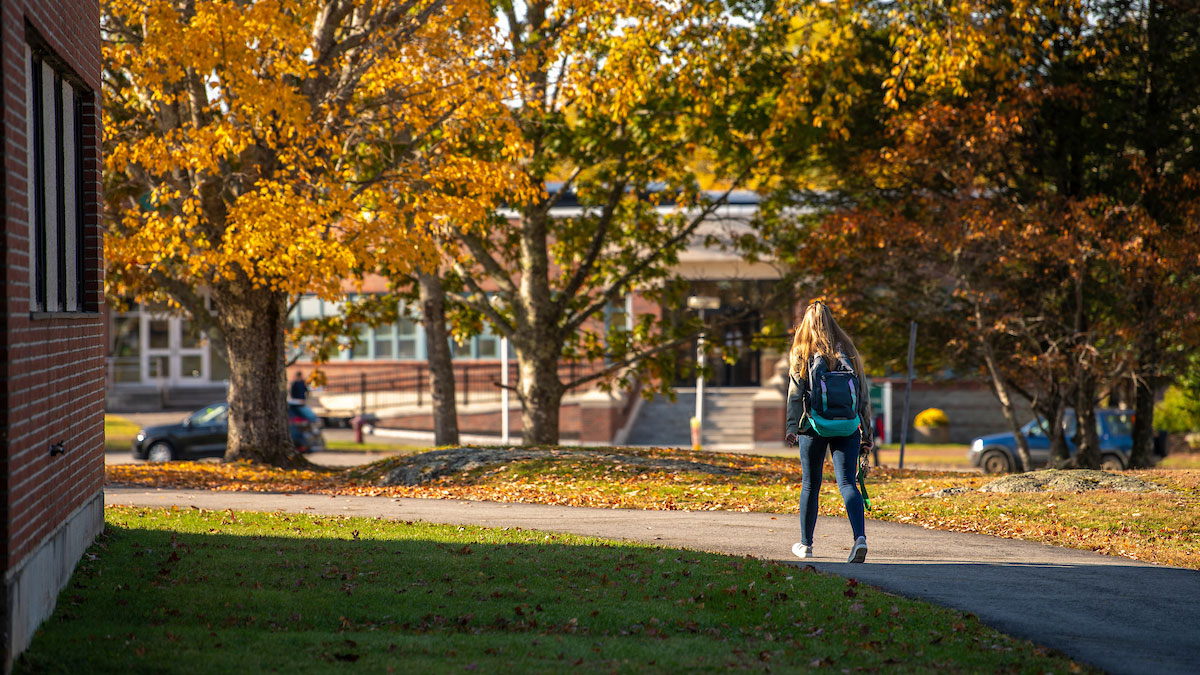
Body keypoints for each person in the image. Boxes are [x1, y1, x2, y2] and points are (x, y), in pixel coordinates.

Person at [785, 301, 874, 563]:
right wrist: (866, 433)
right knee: (848, 482)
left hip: (814, 425)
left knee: (811, 484)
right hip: (848, 426)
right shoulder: (848, 350)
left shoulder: (802, 351)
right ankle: (860, 538)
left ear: (807, 324)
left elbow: (794, 395)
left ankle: (806, 545)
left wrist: (791, 427)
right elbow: (863, 395)